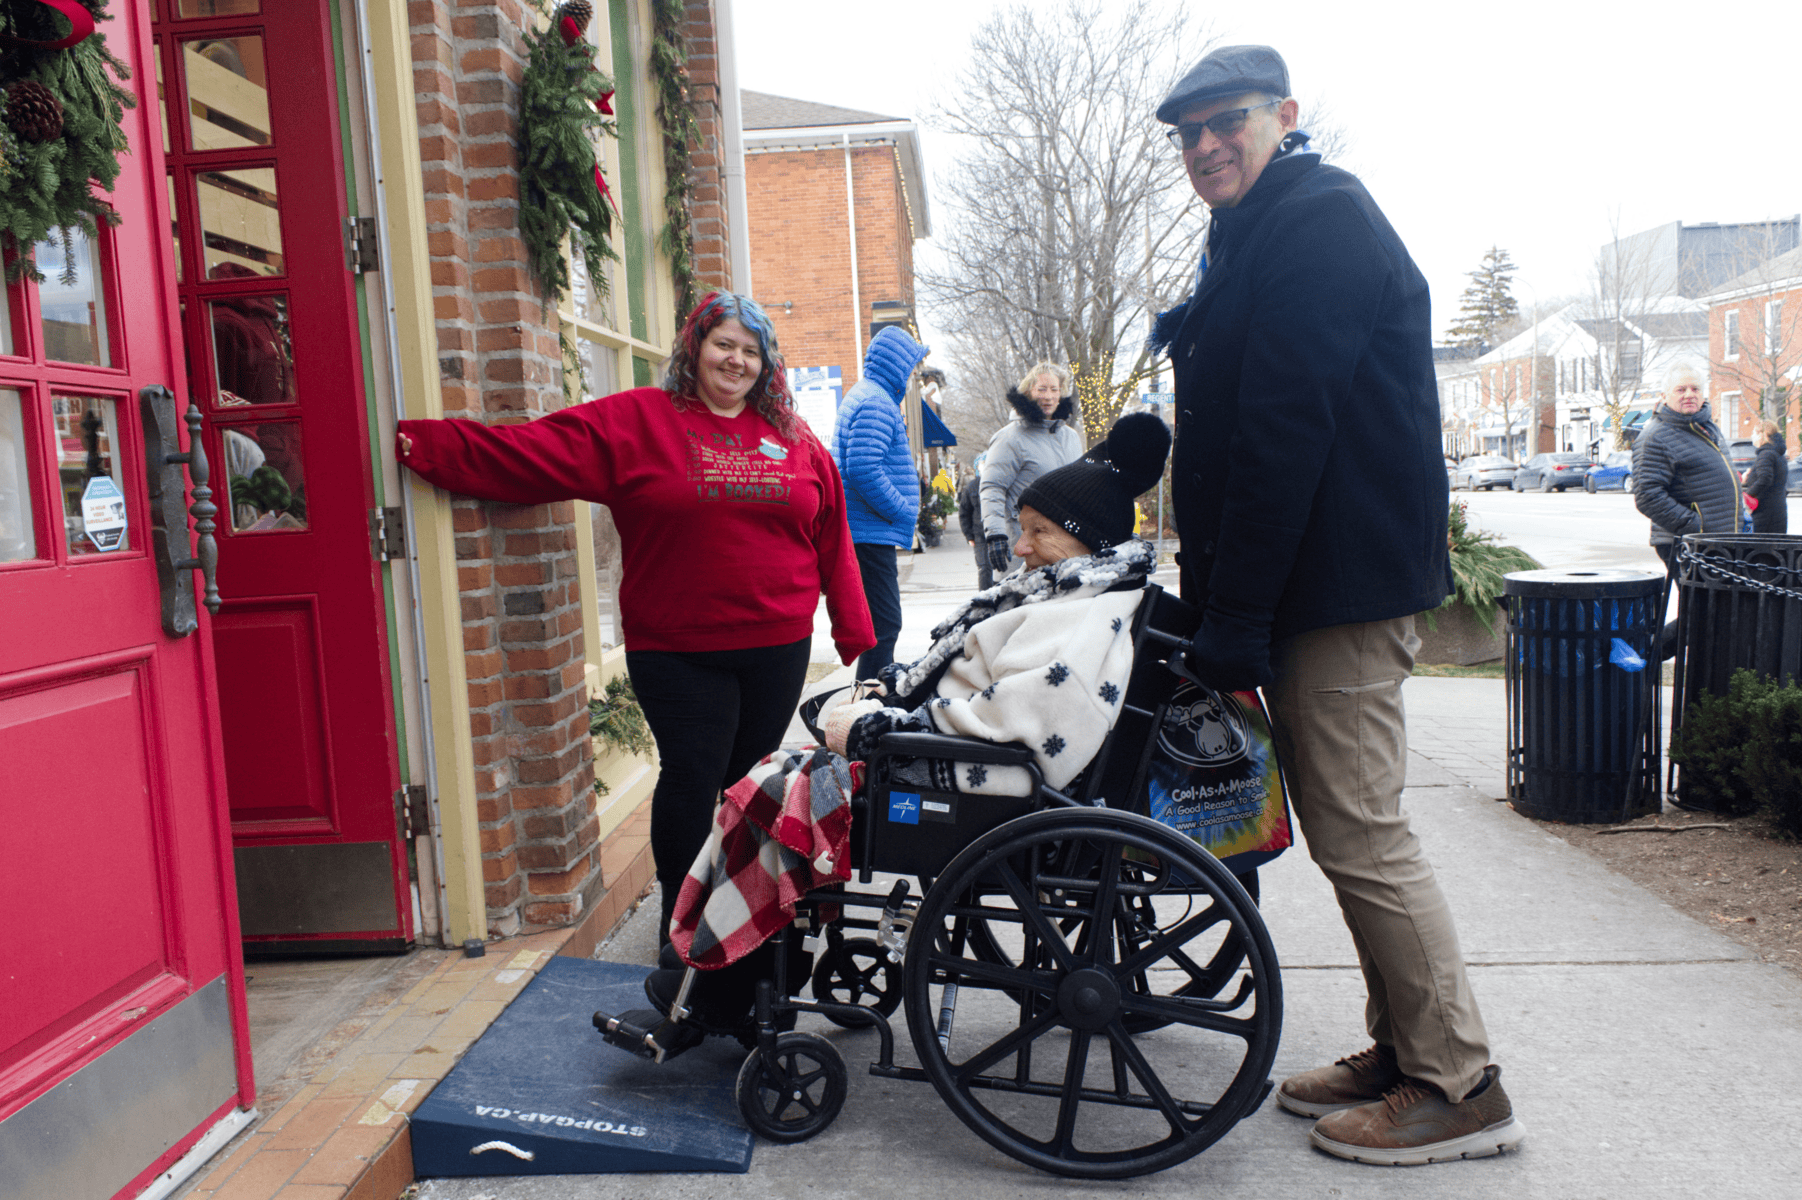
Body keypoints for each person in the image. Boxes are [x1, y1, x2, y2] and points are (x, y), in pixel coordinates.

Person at [1152, 45, 1521, 1165]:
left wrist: (1234, 616)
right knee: (1342, 833)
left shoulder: (1317, 224)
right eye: (1188, 133)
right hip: (1303, 590)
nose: (1207, 145)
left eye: (1228, 122)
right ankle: (1403, 1046)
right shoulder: (1257, 229)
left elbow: (1281, 435)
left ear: (1283, 118)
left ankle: (1458, 1083)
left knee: (1362, 836)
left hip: (1334, 591)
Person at [394, 291, 875, 952]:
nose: (735, 360)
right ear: (695, 348)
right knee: (692, 774)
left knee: (749, 786)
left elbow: (831, 535)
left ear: (766, 363)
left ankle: (742, 927)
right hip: (676, 647)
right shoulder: (638, 421)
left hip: (776, 644)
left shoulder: (793, 438)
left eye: (750, 349)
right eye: (722, 344)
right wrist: (427, 447)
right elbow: (534, 454)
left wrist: (854, 632)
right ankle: (681, 932)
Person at [826, 412, 1171, 797]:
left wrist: (886, 730)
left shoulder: (1083, 620)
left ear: (1092, 544)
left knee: (788, 784)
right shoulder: (1060, 593)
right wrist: (904, 685)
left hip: (963, 782)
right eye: (1022, 529)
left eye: (1039, 531)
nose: (1021, 548)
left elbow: (1011, 719)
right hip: (949, 743)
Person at [834, 325, 932, 678]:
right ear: (897, 365)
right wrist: (901, 510)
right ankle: (868, 712)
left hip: (866, 531)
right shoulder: (875, 402)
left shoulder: (870, 396)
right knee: (884, 627)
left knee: (879, 628)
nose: (913, 375)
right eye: (911, 366)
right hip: (870, 533)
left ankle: (868, 706)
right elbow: (863, 468)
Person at [1631, 362, 1745, 566]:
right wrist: (1695, 526)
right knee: (1699, 599)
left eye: (1695, 389)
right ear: (1664, 396)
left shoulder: (1707, 428)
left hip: (1721, 541)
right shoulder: (1655, 436)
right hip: (1689, 542)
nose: (1689, 394)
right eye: (1681, 389)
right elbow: (1646, 495)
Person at [979, 361, 1084, 578]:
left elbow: (1082, 489)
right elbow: (992, 488)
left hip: (1063, 545)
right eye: (1042, 389)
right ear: (1029, 392)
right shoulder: (1010, 438)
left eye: (1054, 389)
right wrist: (996, 534)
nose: (1048, 396)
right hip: (1023, 545)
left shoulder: (1071, 438)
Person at [1744, 419, 1789, 535]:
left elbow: (1765, 479)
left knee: (1759, 550)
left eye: (1754, 433)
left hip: (1764, 513)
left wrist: (1747, 496)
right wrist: (1749, 478)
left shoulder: (1766, 454)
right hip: (1778, 511)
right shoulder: (1778, 454)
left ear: (1762, 434)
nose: (1752, 436)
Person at [957, 456, 992, 590]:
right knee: (984, 568)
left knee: (1002, 569)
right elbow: (964, 512)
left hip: (1002, 532)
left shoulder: (1004, 483)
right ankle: (985, 600)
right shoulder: (972, 487)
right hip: (980, 535)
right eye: (982, 464)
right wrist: (969, 536)